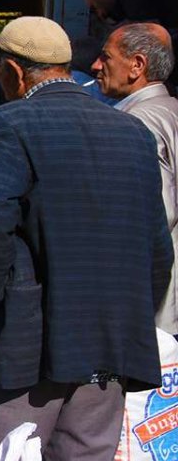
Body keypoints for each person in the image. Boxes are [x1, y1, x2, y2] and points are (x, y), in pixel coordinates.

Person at [0, 16, 172, 460]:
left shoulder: (8, 124)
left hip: (27, 343)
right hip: (111, 344)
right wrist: (131, 317)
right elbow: (158, 247)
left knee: (10, 449)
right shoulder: (131, 131)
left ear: (12, 71)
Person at [93, 22, 178, 334]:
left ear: (137, 65)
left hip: (156, 291)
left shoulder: (136, 122)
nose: (96, 65)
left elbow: (157, 212)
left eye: (106, 57)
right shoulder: (169, 109)